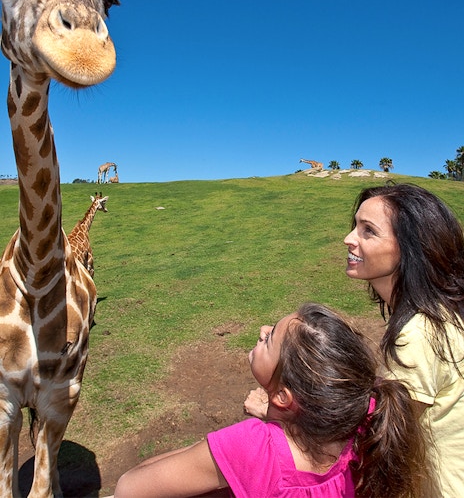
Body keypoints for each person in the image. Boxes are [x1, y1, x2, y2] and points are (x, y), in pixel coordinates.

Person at [113, 302, 425, 498]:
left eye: (269, 338)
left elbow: (130, 488)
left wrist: (218, 448)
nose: (262, 330)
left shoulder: (253, 445)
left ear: (282, 396)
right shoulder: (363, 424)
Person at [344, 182, 464, 498]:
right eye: (355, 226)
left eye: (368, 230)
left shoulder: (419, 333)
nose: (349, 239)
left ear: (410, 247)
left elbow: (385, 442)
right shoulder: (441, 315)